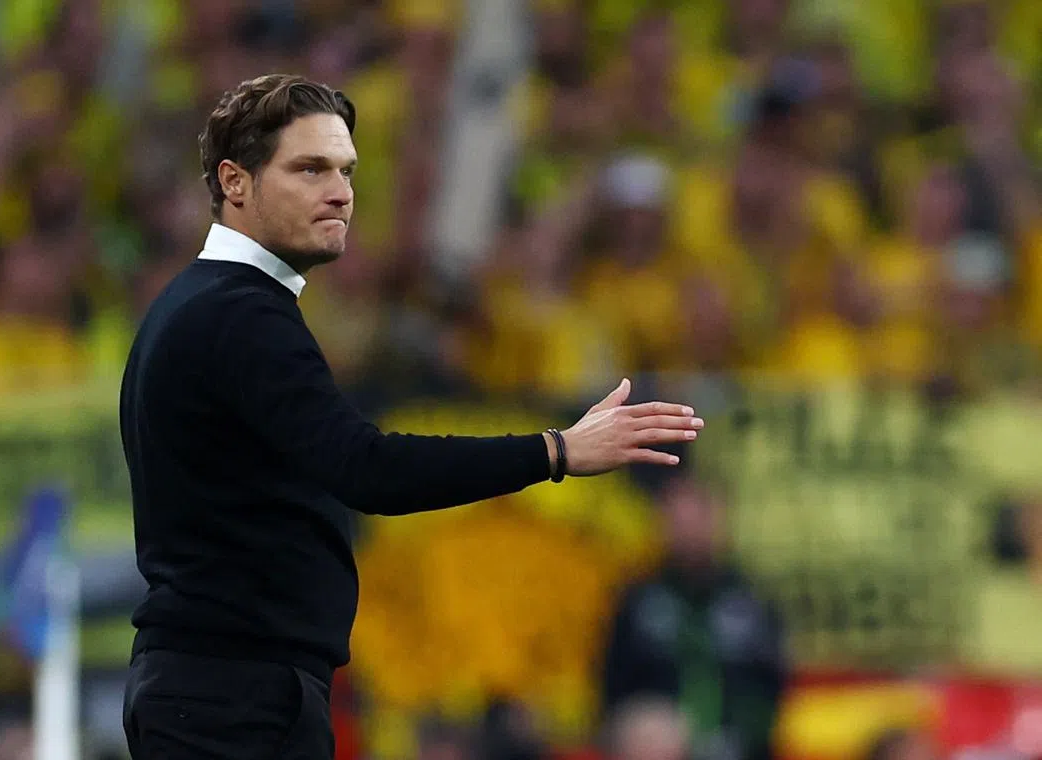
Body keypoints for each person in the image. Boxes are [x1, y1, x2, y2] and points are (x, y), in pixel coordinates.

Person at [119, 74, 704, 760]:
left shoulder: (197, 304)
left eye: (346, 171)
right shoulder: (243, 316)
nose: (339, 193)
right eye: (308, 169)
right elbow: (366, 468)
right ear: (236, 182)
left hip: (213, 685)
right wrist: (556, 451)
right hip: (232, 694)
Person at [600, 477, 784, 760]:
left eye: (697, 517)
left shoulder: (752, 602)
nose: (689, 531)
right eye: (678, 519)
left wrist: (736, 734)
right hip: (656, 744)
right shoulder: (637, 603)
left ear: (718, 521)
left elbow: (773, 692)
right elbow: (613, 694)